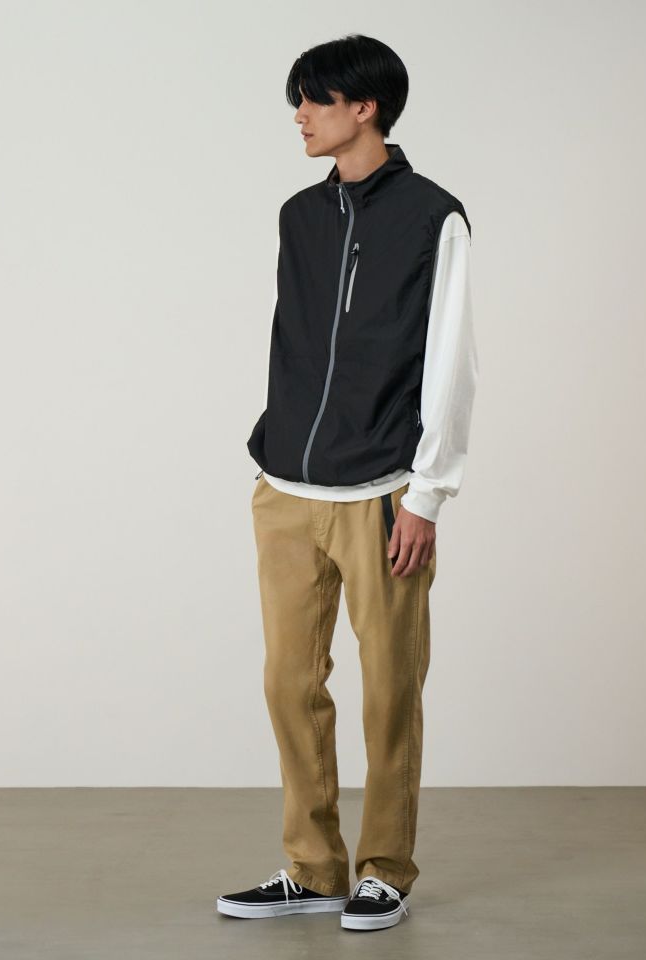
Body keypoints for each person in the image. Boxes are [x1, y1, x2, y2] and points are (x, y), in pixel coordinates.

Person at [217, 33, 478, 932]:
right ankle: (314, 866)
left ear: (363, 107)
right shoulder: (298, 216)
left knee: (391, 690)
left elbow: (451, 362)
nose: (299, 115)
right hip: (287, 489)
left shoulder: (434, 217)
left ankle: (385, 869)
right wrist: (274, 456)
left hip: (384, 493)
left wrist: (427, 494)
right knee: (287, 683)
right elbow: (296, 346)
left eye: (313, 100)